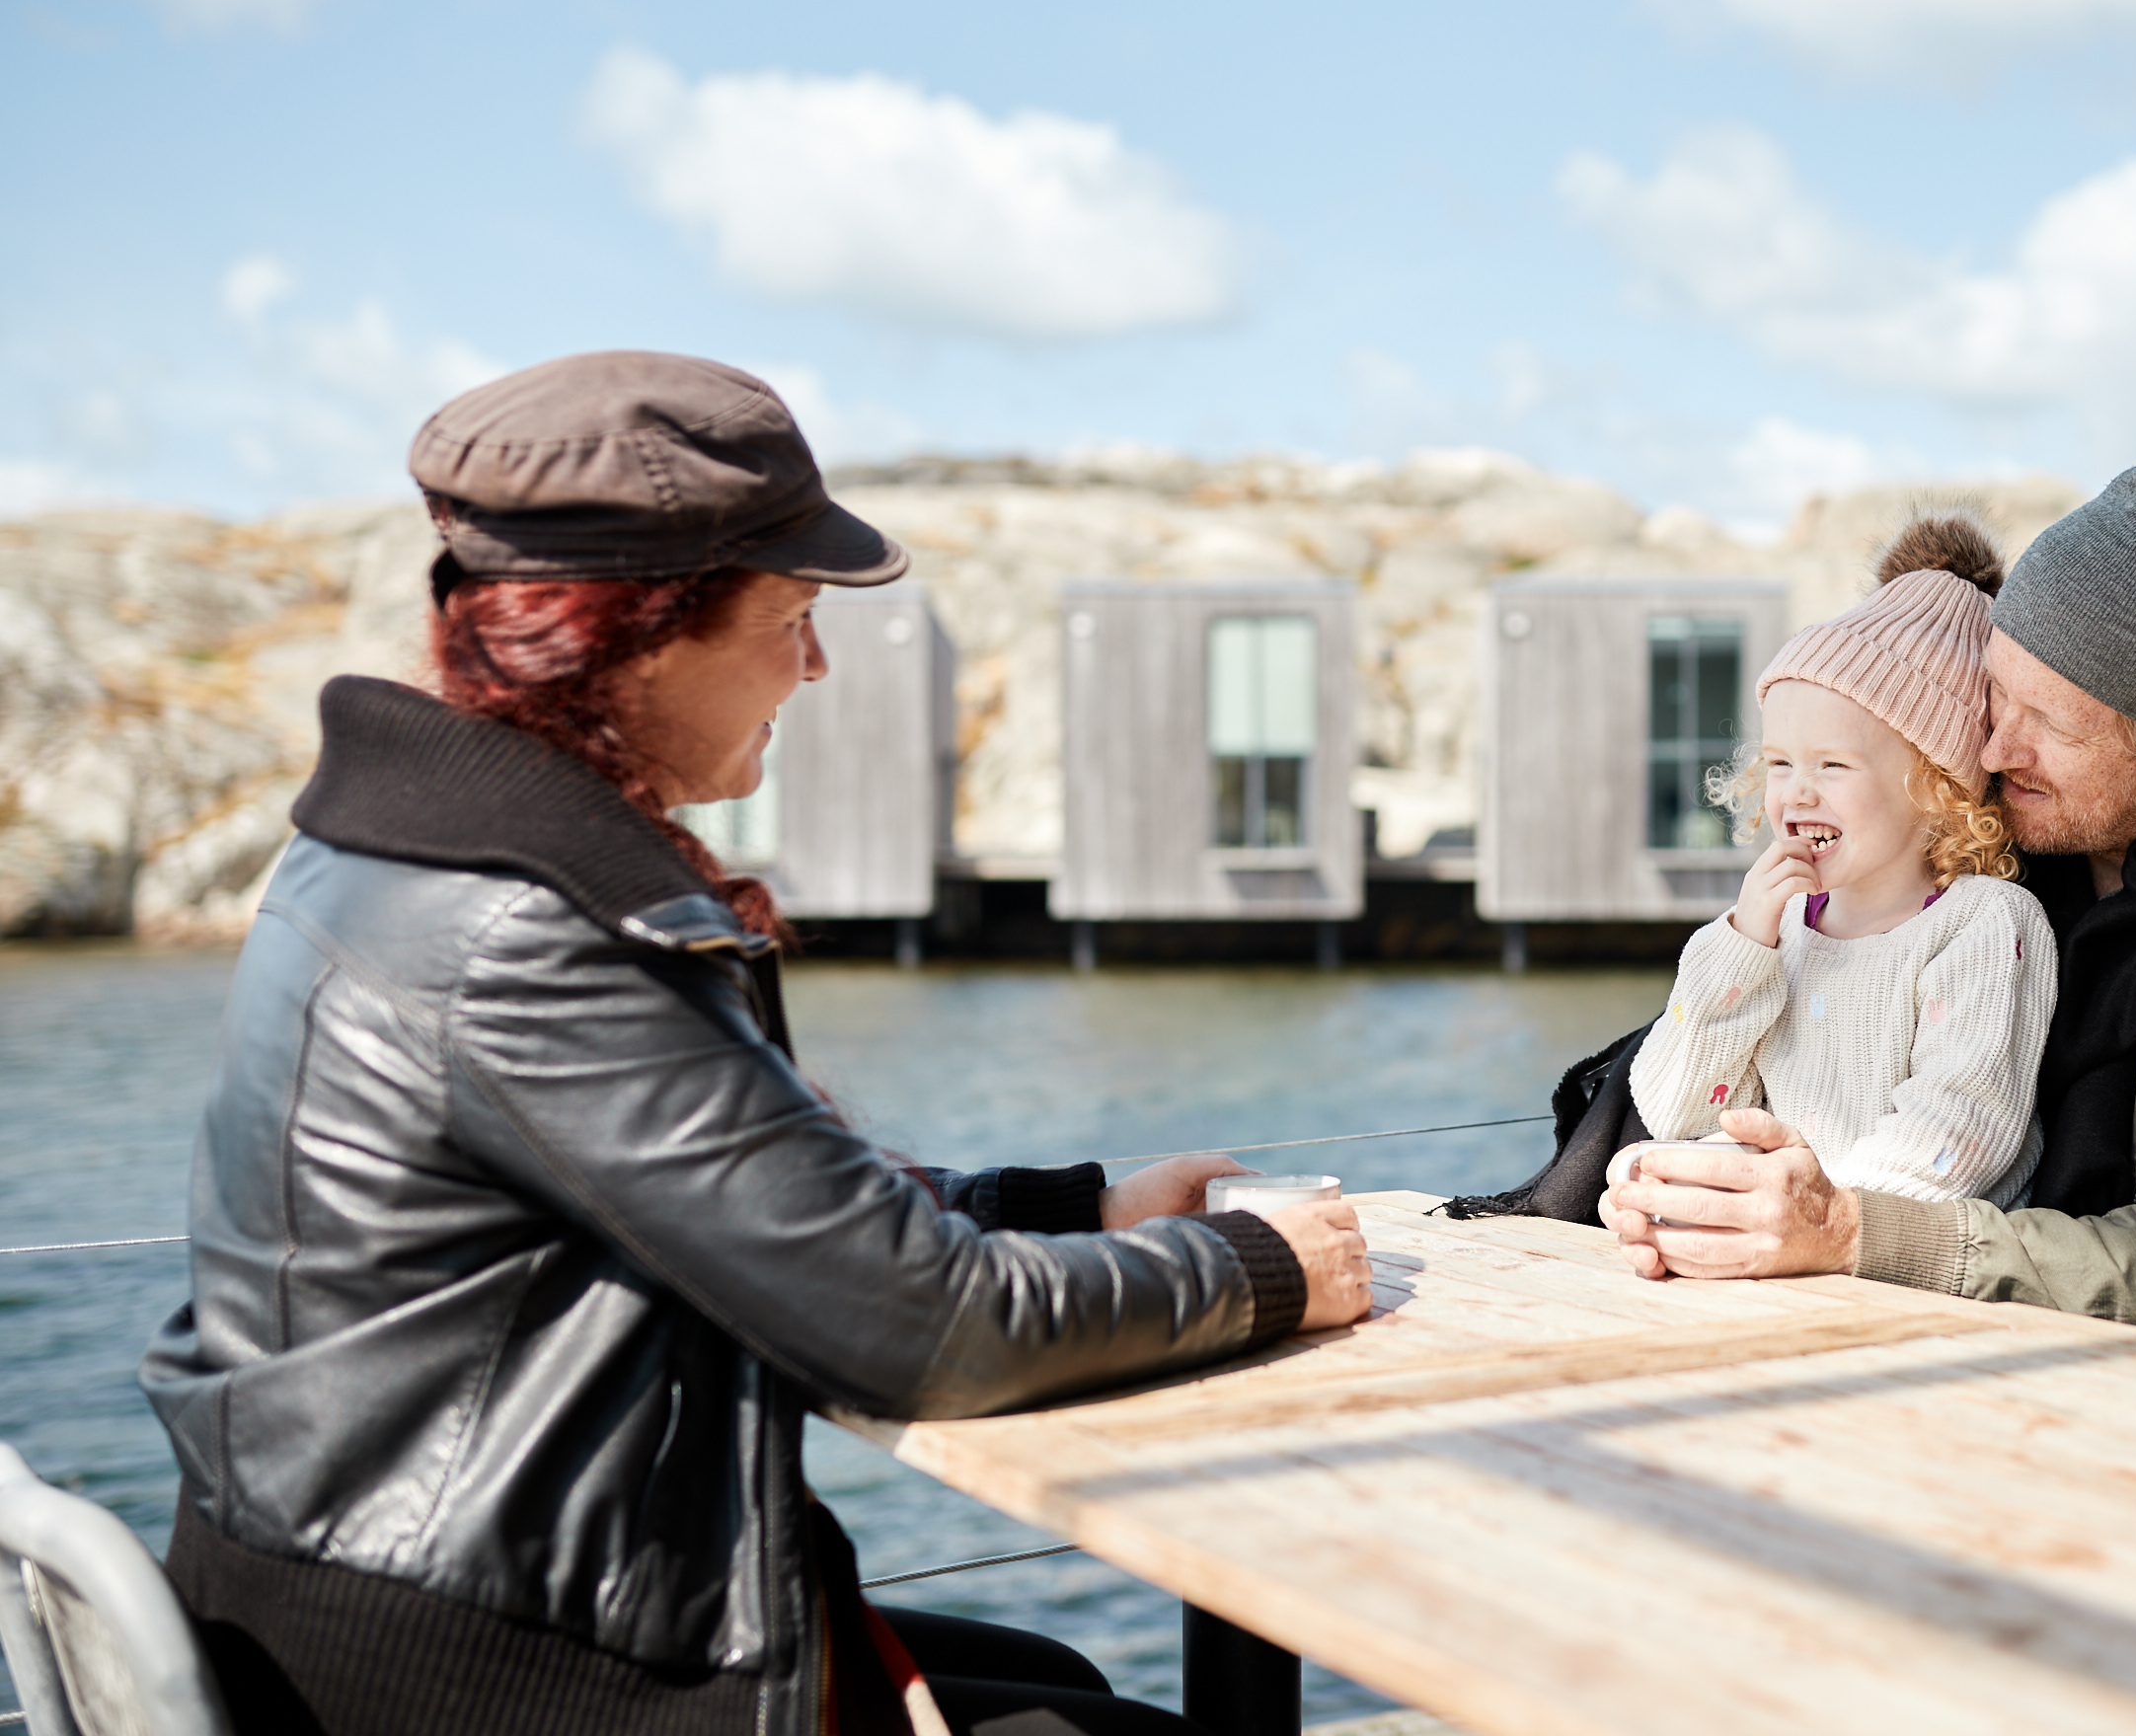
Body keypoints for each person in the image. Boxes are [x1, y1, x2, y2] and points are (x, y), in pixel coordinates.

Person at [140, 351, 1374, 1736]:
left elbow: (759, 1222)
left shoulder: (396, 855)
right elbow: (923, 1334)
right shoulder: (536, 930)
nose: (818, 658)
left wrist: (1070, 1209)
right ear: (634, 633)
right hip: (480, 1667)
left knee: (1062, 1681)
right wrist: (1263, 1268)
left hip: (363, 1592)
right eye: (789, 612)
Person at [1605, 439, 2136, 1367]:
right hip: (1916, 1357)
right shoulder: (1975, 829)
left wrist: (1845, 1230)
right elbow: (1752, 1049)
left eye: (2054, 725)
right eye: (1996, 696)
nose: (1994, 751)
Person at [1623, 517, 2056, 1207]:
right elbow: (1676, 1108)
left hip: (1910, 1269)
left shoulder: (1982, 923)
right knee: (1637, 1175)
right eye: (1780, 763)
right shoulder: (1782, 928)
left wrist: (1800, 1215)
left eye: (1832, 764)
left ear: (1935, 787)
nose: (1797, 789)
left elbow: (1955, 1139)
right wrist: (1742, 944)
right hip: (1784, 1248)